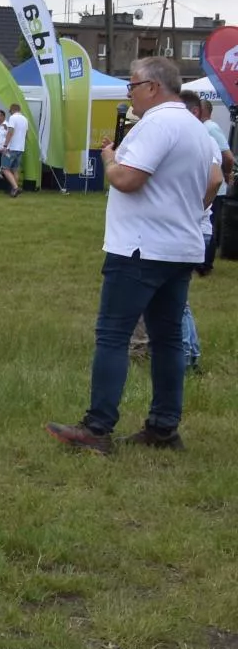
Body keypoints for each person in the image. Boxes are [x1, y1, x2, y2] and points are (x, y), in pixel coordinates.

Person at [47, 57, 223, 453]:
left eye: (133, 85)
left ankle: (97, 427)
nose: (129, 93)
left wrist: (109, 159)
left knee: (112, 335)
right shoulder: (197, 129)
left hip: (141, 247)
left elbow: (127, 180)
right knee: (167, 340)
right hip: (180, 247)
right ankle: (163, 427)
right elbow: (215, 178)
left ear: (154, 87)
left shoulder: (156, 124)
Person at [187, 92, 233, 274]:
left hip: (215, 187)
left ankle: (205, 264)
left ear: (199, 111)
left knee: (208, 224)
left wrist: (227, 173)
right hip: (208, 184)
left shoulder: (210, 129)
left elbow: (227, 155)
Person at [1, 103, 30, 197]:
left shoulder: (13, 118)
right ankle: (14, 191)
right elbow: (26, 135)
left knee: (5, 169)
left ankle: (15, 188)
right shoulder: (25, 119)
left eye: (10, 111)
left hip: (11, 148)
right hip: (20, 148)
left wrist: (5, 145)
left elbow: (10, 132)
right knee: (15, 169)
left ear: (12, 110)